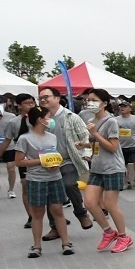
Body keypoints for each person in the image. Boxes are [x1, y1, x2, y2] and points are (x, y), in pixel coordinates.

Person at [14, 106, 73, 257]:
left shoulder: (52, 137)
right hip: (36, 180)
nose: (51, 120)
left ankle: (66, 243)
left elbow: (55, 155)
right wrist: (41, 161)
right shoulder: (24, 138)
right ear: (40, 119)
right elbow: (19, 162)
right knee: (38, 214)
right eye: (48, 117)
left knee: (58, 211)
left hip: (54, 178)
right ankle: (36, 246)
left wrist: (55, 163)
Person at [80, 89, 133, 253]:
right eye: (88, 100)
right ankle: (109, 232)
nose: (90, 103)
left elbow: (112, 147)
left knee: (110, 205)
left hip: (113, 168)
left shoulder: (111, 122)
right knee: (89, 202)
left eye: (94, 100)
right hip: (97, 168)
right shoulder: (90, 120)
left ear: (104, 103)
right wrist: (86, 145)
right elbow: (98, 145)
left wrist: (95, 133)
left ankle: (124, 237)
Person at [37, 86, 93, 236]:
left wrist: (87, 153)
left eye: (46, 97)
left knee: (69, 184)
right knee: (50, 193)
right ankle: (55, 227)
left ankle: (81, 214)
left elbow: (85, 136)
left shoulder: (71, 117)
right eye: (40, 98)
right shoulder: (39, 118)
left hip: (68, 160)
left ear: (57, 98)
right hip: (47, 163)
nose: (43, 100)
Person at [0, 94, 37, 227]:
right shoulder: (14, 122)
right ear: (19, 105)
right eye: (27, 103)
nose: (31, 105)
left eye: (32, 103)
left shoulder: (42, 119)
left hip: (41, 157)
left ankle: (53, 216)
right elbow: (7, 140)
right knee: (25, 186)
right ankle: (31, 216)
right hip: (23, 158)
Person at [115, 101, 135, 189]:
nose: (122, 108)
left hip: (134, 145)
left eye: (124, 106)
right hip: (121, 146)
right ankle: (126, 181)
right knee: (123, 165)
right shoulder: (116, 119)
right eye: (121, 107)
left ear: (130, 108)